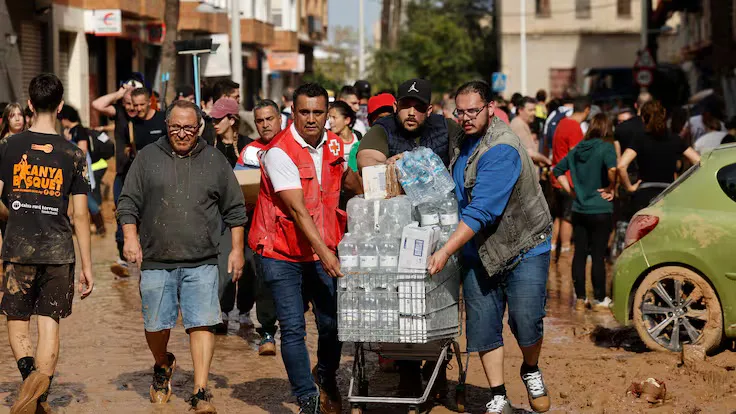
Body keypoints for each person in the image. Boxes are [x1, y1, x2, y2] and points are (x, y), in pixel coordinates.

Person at [427, 80, 552, 414]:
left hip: (524, 245)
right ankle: (498, 395)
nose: (466, 118)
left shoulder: (502, 148)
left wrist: (444, 250)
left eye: (473, 111)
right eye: (461, 111)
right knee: (482, 326)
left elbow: (481, 209)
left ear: (490, 108)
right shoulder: (460, 138)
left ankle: (531, 367)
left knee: (527, 321)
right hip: (477, 250)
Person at [117, 100, 247, 413]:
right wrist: (130, 239)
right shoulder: (147, 158)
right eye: (176, 127)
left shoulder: (214, 160)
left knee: (202, 323)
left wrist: (238, 251)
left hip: (202, 259)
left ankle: (201, 391)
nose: (182, 133)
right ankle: (163, 365)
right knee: (155, 326)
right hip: (156, 259)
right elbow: (127, 203)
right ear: (166, 125)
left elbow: (235, 210)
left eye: (189, 127)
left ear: (199, 127)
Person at [248, 83, 362, 414]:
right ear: (293, 113)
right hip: (281, 252)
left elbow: (349, 181)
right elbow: (298, 210)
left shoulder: (336, 146)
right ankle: (307, 399)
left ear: (329, 114)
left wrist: (382, 190)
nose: (311, 119)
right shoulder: (279, 152)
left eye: (317, 112)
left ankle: (325, 377)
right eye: (304, 112)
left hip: (322, 248)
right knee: (293, 327)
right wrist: (327, 254)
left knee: (334, 324)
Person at [1, 73, 94, 414]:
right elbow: (81, 216)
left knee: (16, 321)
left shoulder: (8, 147)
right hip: (58, 251)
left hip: (17, 249)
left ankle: (30, 387)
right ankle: (38, 396)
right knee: (49, 324)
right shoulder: (72, 154)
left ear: (28, 105)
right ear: (59, 106)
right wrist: (87, 266)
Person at [91, 81, 162, 278]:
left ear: (148, 102)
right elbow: (97, 104)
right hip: (124, 175)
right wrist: (120, 93)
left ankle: (147, 257)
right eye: (131, 102)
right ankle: (124, 258)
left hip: (150, 180)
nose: (135, 107)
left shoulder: (156, 119)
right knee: (123, 215)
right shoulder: (122, 115)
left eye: (139, 103)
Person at [553, 114, 618, 312]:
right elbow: (613, 170)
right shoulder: (607, 147)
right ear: (607, 129)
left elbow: (557, 170)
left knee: (579, 254)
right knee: (598, 256)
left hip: (579, 209)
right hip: (600, 208)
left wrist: (571, 192)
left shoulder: (578, 149)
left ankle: (580, 299)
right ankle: (599, 299)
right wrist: (611, 187)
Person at [233, 99, 281, 357]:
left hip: (293, 224)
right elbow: (239, 186)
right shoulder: (250, 152)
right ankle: (267, 332)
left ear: (280, 119)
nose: (264, 125)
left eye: (269, 119)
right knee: (264, 278)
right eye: (260, 120)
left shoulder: (294, 145)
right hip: (261, 225)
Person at [618, 100, 701, 217]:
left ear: (643, 118)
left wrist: (630, 187)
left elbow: (621, 166)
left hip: (645, 195)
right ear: (664, 116)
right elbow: (698, 161)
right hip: (669, 194)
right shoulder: (674, 139)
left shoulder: (639, 139)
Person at [357, 78, 462, 170]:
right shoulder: (383, 128)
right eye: (405, 106)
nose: (411, 113)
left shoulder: (445, 126)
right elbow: (366, 159)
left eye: (419, 107)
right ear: (395, 106)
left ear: (429, 110)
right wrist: (386, 165)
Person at [57, 105, 108, 235]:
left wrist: (68, 142)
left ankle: (100, 225)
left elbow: (82, 150)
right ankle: (92, 225)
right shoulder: (71, 130)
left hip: (82, 170)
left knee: (87, 197)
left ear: (66, 118)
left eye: (61, 119)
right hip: (73, 171)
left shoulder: (79, 130)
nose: (61, 122)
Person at [550, 97, 591, 257]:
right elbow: (577, 155)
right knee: (568, 217)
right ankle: (566, 251)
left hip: (557, 178)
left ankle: (553, 248)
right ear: (587, 109)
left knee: (559, 216)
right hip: (569, 179)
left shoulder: (562, 122)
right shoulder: (574, 127)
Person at [210, 97, 251, 168]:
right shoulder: (209, 144)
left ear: (231, 120)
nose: (214, 123)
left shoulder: (246, 145)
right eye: (214, 119)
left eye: (219, 119)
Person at [328, 101, 360, 172]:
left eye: (334, 117)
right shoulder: (328, 138)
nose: (330, 121)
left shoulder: (358, 136)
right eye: (329, 117)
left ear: (347, 120)